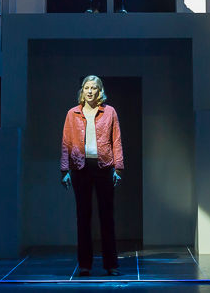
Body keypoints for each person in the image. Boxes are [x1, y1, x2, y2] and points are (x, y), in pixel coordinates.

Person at [61, 75, 124, 277]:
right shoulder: (72, 113)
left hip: (104, 167)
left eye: (93, 88)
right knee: (83, 217)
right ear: (82, 90)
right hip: (80, 168)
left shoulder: (109, 112)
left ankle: (111, 264)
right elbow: (66, 143)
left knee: (107, 217)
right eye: (86, 87)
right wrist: (64, 170)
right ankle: (85, 265)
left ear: (100, 91)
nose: (90, 91)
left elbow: (116, 140)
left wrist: (118, 168)